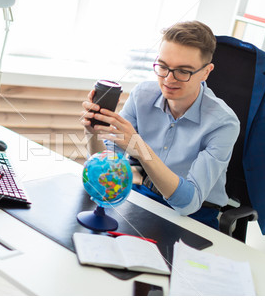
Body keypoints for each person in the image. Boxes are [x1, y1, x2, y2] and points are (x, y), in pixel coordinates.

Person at [81, 21, 240, 229]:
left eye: (183, 71)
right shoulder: (142, 95)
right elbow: (108, 165)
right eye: (163, 66)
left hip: (195, 217)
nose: (168, 79)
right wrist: (91, 134)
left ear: (206, 72)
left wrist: (140, 149)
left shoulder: (223, 123)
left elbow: (188, 203)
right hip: (144, 197)